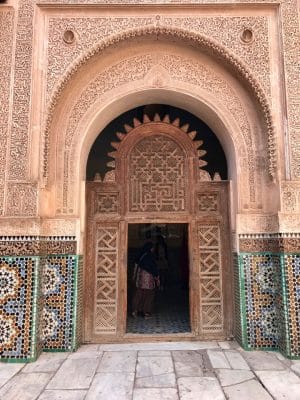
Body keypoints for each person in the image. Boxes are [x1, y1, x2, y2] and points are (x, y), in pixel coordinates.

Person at [132, 241, 160, 319]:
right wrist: (157, 277)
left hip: (140, 277)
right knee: (149, 295)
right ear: (151, 248)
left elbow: (136, 265)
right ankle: (146, 313)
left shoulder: (141, 255)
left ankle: (135, 311)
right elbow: (153, 268)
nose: (153, 249)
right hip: (148, 278)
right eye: (153, 247)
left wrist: (134, 276)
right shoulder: (151, 256)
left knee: (139, 294)